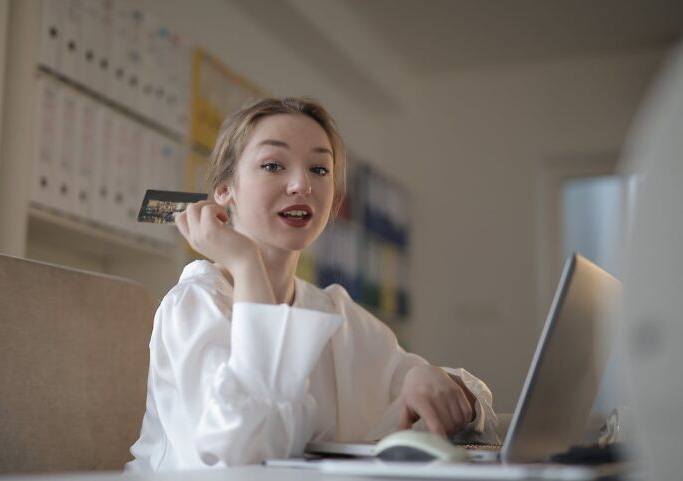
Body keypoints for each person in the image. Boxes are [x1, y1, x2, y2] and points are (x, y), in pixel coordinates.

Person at [126, 97, 499, 470]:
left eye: (319, 169)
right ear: (225, 191)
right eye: (273, 165)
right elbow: (244, 452)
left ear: (334, 198)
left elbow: (472, 406)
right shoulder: (195, 302)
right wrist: (245, 263)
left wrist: (430, 376)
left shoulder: (334, 310)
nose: (302, 184)